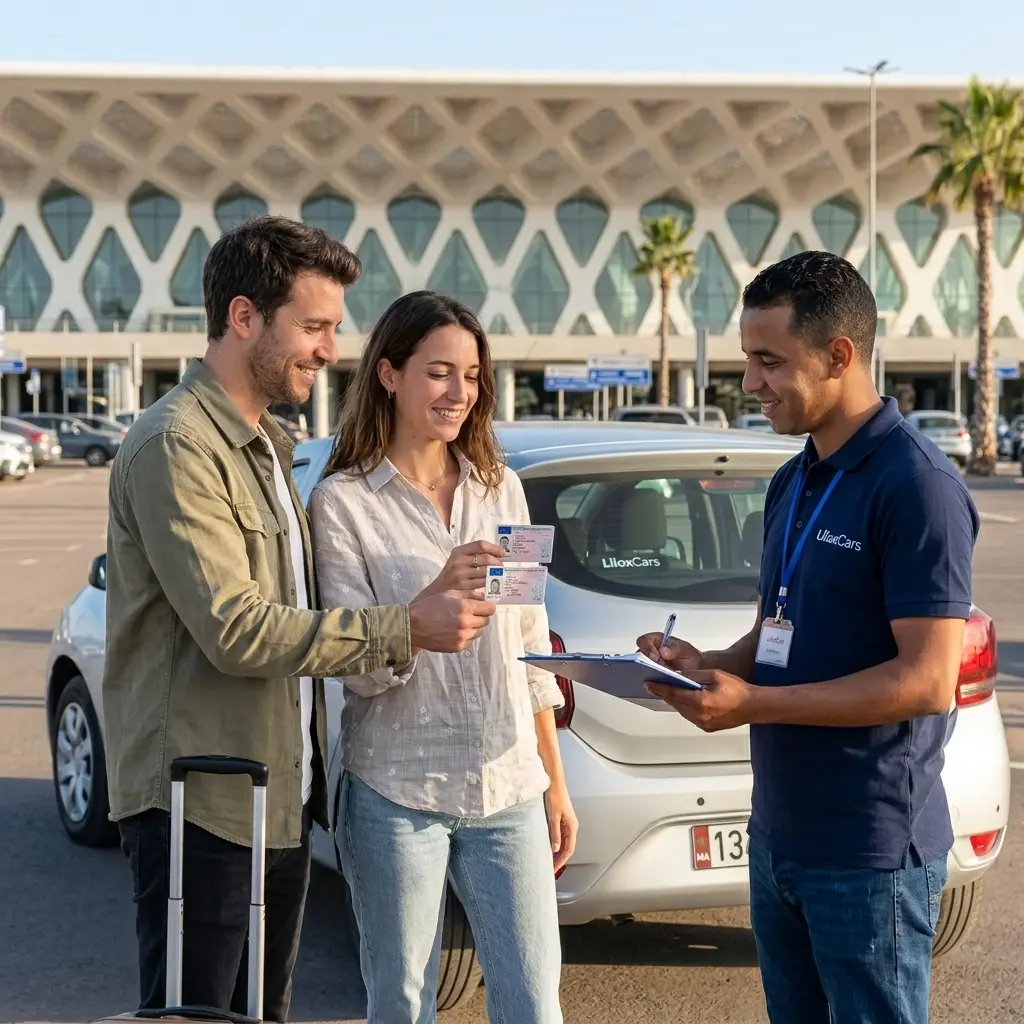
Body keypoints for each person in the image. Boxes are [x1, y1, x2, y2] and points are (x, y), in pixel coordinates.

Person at [103, 217, 495, 1022]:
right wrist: (405, 626)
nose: (329, 350)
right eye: (312, 327)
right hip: (199, 804)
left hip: (277, 800)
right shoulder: (177, 446)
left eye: (334, 329)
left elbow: (301, 610)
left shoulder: (271, 449)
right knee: (197, 1016)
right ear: (244, 317)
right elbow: (239, 628)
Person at [638, 251, 979, 1024]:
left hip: (868, 852)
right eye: (746, 361)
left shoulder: (917, 485)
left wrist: (754, 701)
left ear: (839, 356)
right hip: (778, 835)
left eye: (768, 362)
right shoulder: (796, 477)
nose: (750, 383)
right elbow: (777, 633)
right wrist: (704, 667)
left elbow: (927, 680)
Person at [308, 290, 575, 1023]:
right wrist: (429, 600)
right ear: (389, 374)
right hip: (396, 790)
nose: (460, 392)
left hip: (508, 787)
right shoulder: (341, 503)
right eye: (439, 372)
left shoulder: (502, 488)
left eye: (471, 374)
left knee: (533, 1005)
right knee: (401, 1006)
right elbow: (355, 670)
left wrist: (553, 780)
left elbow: (528, 641)